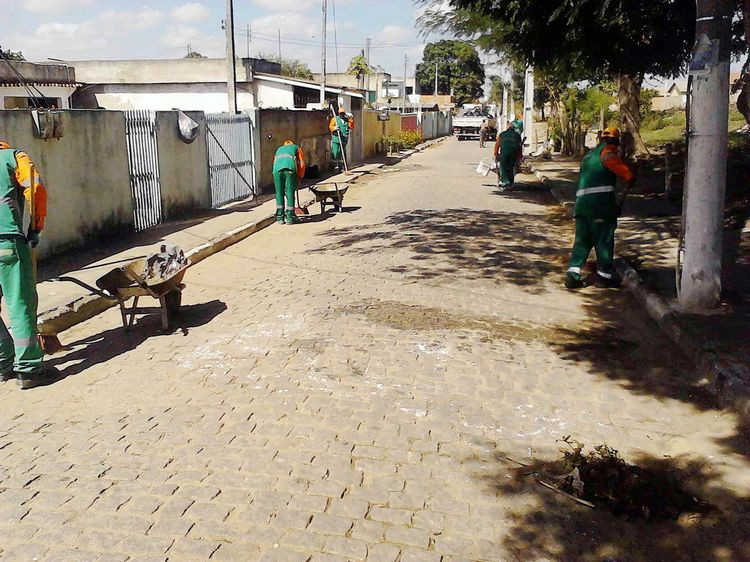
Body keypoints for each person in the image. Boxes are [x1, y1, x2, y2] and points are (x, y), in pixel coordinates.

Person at [0, 140, 61, 389]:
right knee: (20, 302)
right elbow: (35, 189)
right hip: (7, 243)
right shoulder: (12, 157)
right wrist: (35, 228)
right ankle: (28, 369)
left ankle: (3, 364)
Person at [565, 127, 635, 289]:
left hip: (581, 206)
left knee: (582, 242)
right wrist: (630, 176)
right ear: (616, 143)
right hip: (599, 207)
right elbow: (626, 174)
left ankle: (572, 274)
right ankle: (604, 275)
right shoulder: (608, 154)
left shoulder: (589, 155)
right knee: (603, 240)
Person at [272, 139, 306, 225]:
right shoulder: (297, 148)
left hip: (277, 172)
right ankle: (290, 218)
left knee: (279, 193)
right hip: (289, 170)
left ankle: (280, 218)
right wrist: (299, 177)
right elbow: (302, 164)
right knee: (290, 193)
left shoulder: (279, 149)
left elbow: (274, 163)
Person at [493, 123, 523, 191]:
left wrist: (496, 154)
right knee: (511, 166)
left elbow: (497, 145)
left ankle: (505, 182)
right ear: (513, 129)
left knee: (503, 166)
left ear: (507, 129)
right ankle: (510, 183)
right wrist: (519, 157)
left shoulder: (502, 134)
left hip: (504, 152)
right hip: (513, 152)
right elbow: (520, 146)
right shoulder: (517, 135)